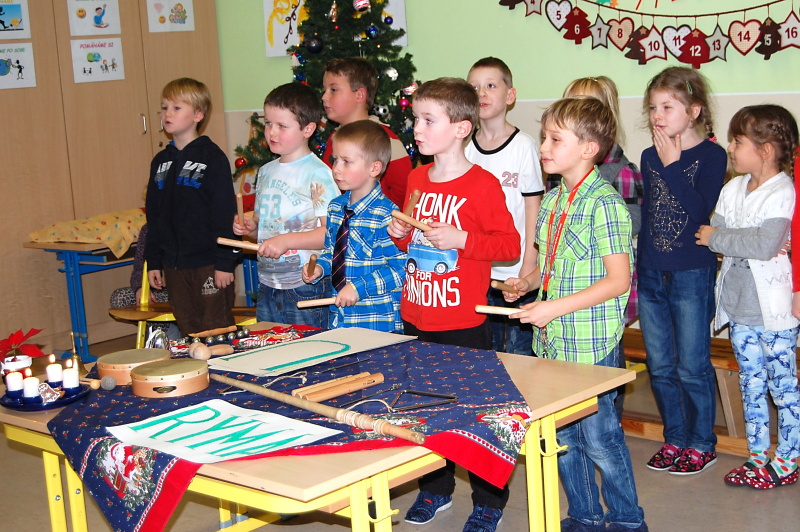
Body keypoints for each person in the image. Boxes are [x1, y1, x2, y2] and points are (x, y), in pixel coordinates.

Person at [503, 97, 646, 532]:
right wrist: (526, 285)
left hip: (591, 344)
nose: (543, 147)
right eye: (544, 137)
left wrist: (553, 308)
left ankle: (627, 521)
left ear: (588, 149)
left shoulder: (604, 204)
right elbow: (547, 270)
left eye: (554, 139)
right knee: (564, 437)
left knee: (601, 440)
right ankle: (585, 515)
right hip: (552, 344)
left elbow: (617, 281)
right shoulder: (551, 202)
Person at [387, 77, 520, 532]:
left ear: (462, 128)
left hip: (463, 320)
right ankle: (435, 488)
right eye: (416, 119)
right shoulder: (417, 177)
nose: (417, 128)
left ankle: (489, 500)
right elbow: (412, 242)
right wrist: (401, 233)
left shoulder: (482, 185)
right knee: (423, 411)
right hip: (417, 314)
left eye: (429, 120)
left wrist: (462, 239)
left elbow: (509, 245)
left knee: (474, 413)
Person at [695, 104, 800, 489]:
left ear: (766, 149)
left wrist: (722, 239)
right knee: (751, 386)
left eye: (738, 141)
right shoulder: (732, 188)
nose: (730, 148)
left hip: (773, 313)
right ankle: (758, 457)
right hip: (739, 309)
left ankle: (788, 458)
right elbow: (713, 234)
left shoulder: (782, 191)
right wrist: (728, 239)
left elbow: (763, 244)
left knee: (783, 388)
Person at [637, 66, 727, 475]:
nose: (657, 115)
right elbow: (650, 217)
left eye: (667, 107)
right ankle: (674, 438)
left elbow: (698, 211)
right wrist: (641, 269)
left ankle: (701, 443)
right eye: (653, 107)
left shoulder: (713, 155)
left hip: (691, 273)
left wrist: (673, 165)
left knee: (692, 366)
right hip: (653, 274)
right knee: (660, 366)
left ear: (693, 111)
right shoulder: (648, 156)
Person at [561, 75, 645, 417]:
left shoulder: (621, 172)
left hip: (604, 286)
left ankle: (609, 424)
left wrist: (588, 224)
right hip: (569, 286)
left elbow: (631, 225)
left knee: (605, 369)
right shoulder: (563, 170)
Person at [232, 82, 339, 327]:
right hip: (267, 283)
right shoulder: (266, 171)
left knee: (308, 348)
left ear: (308, 129)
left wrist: (286, 241)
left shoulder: (318, 173)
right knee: (270, 345)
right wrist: (250, 228)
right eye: (268, 123)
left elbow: (330, 234)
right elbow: (262, 227)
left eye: (282, 126)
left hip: (304, 285)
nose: (272, 132)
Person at [144, 78, 238, 336]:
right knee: (189, 329)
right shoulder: (160, 162)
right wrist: (154, 261)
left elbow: (225, 213)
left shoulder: (212, 157)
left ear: (198, 115)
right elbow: (154, 216)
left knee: (216, 328)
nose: (167, 114)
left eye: (176, 108)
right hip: (174, 267)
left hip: (209, 263)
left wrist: (225, 262)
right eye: (164, 107)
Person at [464, 57, 544, 356]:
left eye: (490, 85)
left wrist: (528, 267)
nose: (481, 93)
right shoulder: (464, 148)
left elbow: (533, 208)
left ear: (510, 95)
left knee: (521, 352)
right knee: (488, 350)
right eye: (474, 87)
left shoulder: (524, 146)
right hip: (478, 271)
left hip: (516, 271)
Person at [301, 120, 406, 332]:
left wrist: (358, 288)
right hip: (340, 319)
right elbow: (333, 253)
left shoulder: (387, 214)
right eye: (335, 160)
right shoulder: (335, 208)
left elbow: (400, 269)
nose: (336, 169)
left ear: (374, 168)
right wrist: (319, 267)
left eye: (346, 162)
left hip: (377, 323)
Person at [321, 57, 413, 208]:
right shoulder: (334, 138)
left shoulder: (384, 138)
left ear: (359, 95)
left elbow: (404, 190)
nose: (324, 97)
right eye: (324, 90)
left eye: (334, 90)